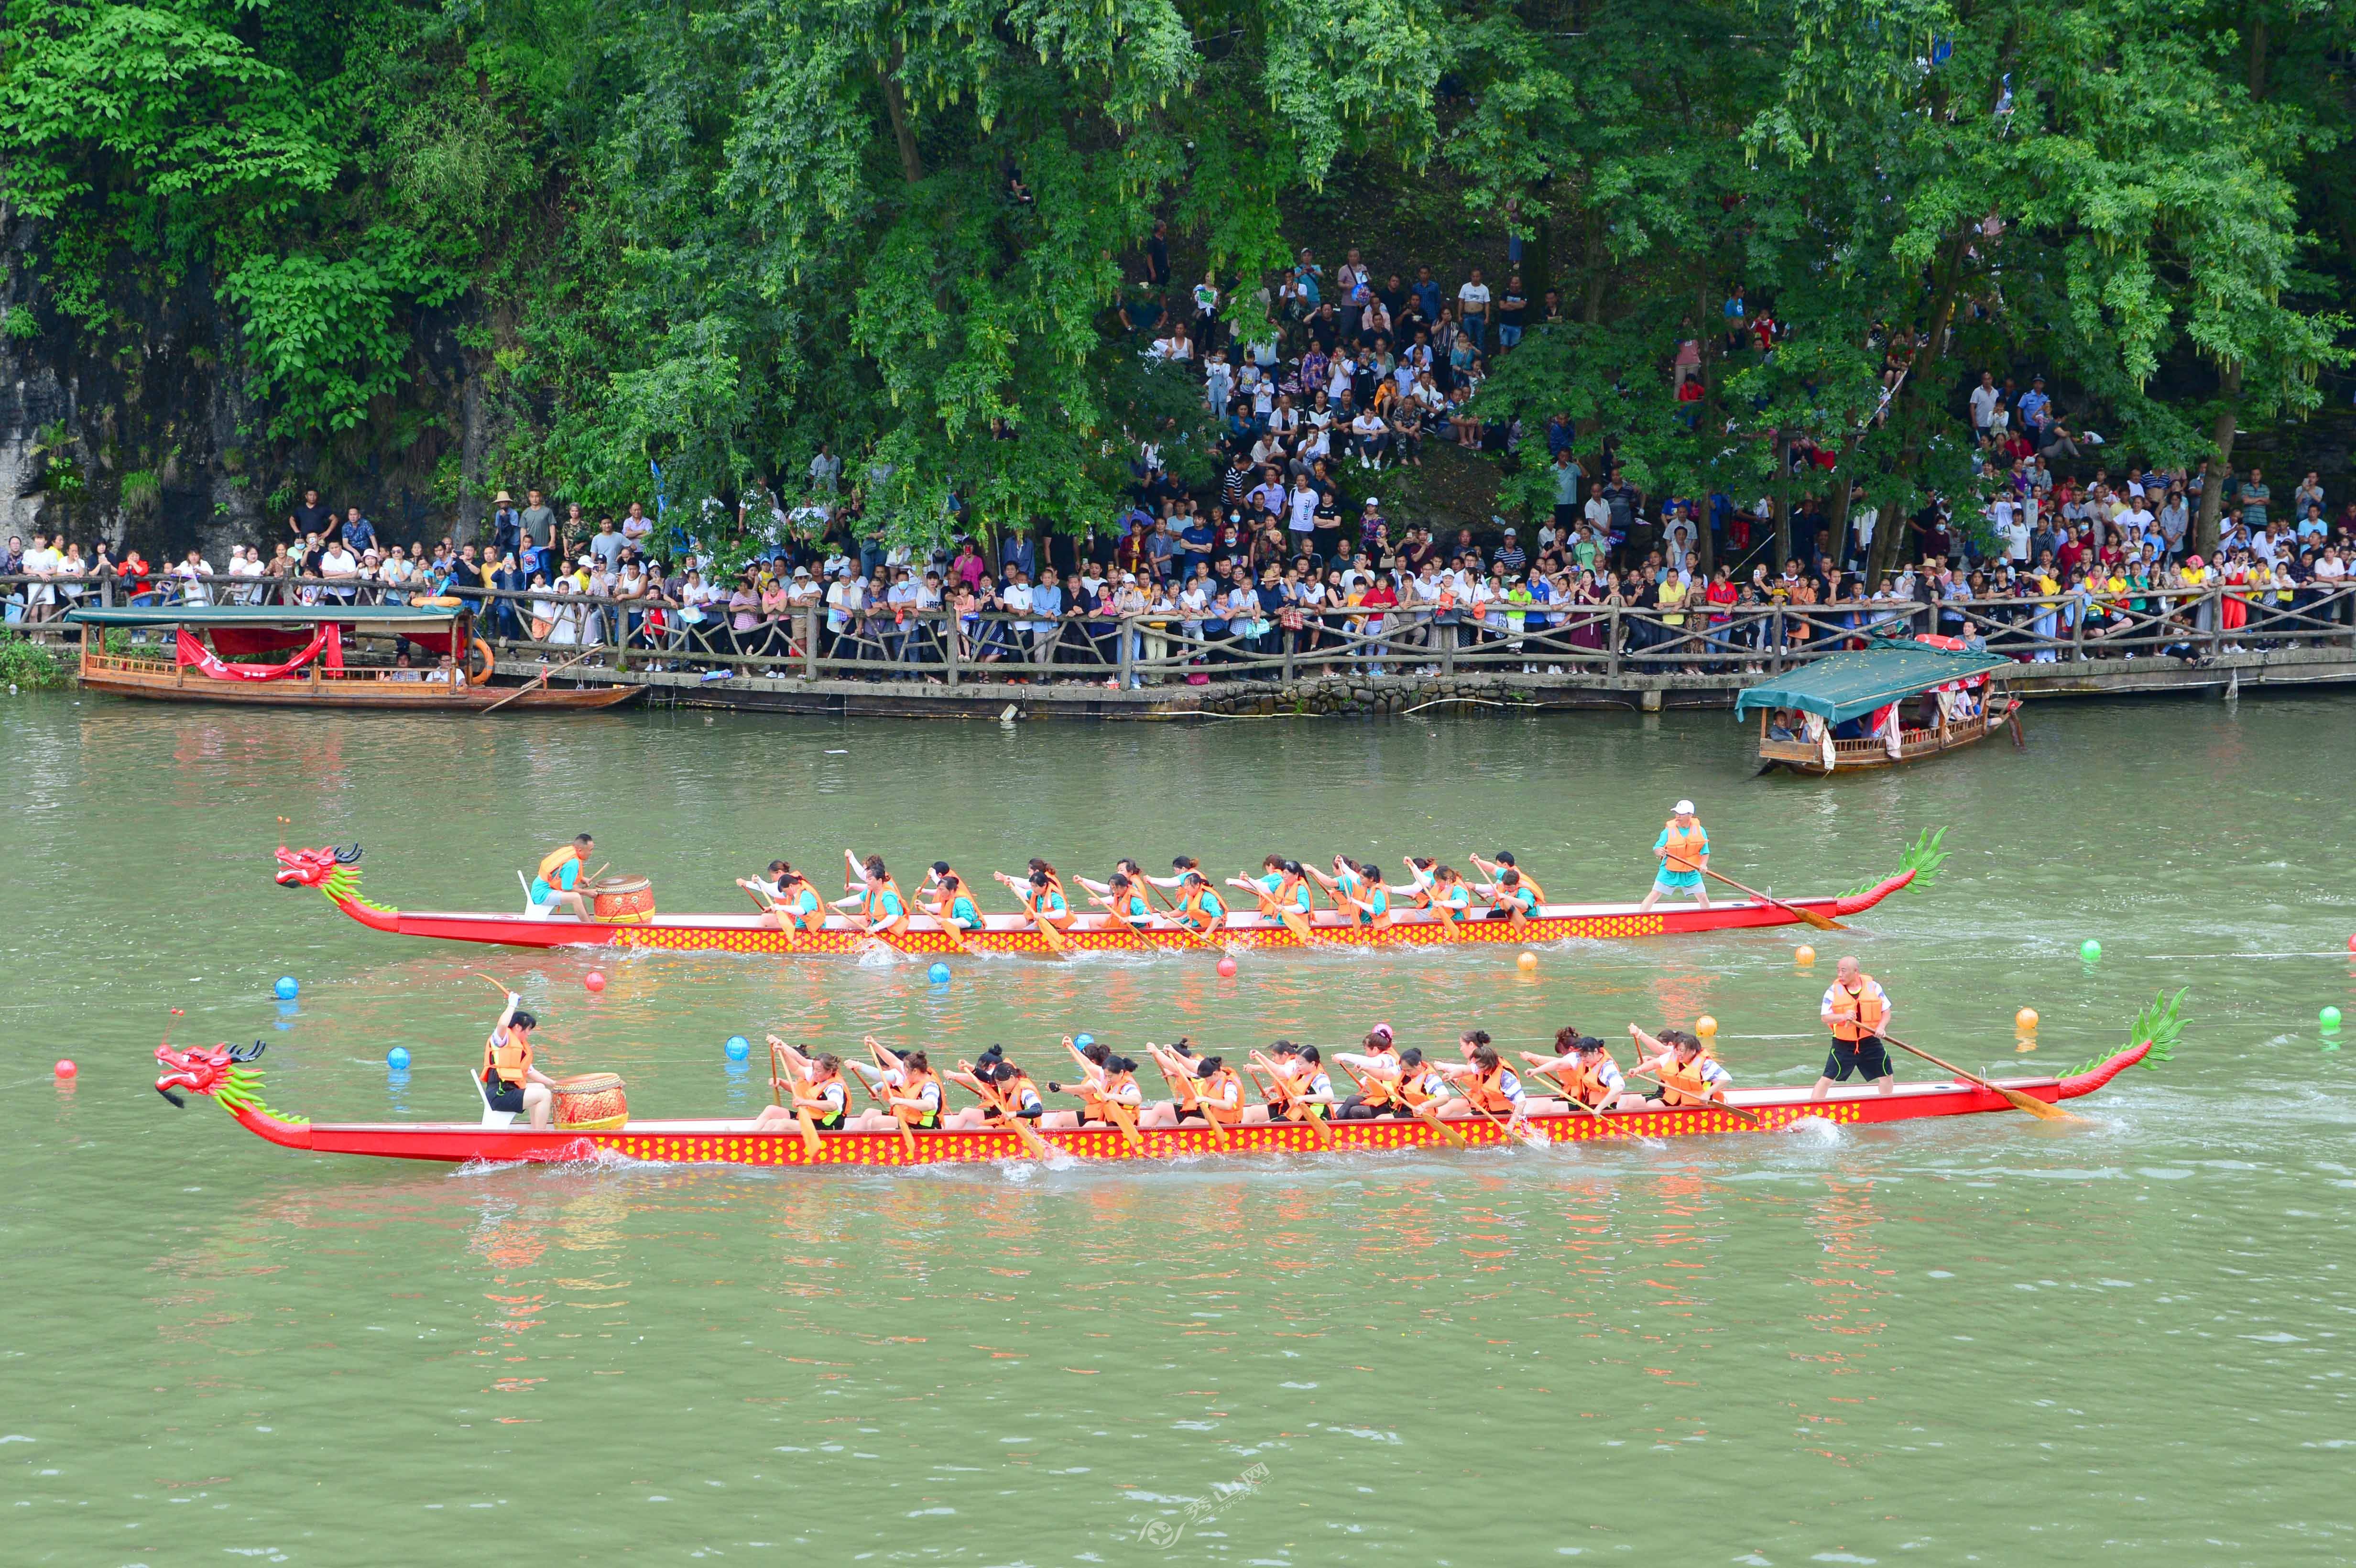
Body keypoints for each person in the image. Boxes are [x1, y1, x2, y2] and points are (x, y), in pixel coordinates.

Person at [1814, 956, 1897, 1098]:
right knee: (1828, 1079)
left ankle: (1886, 1102)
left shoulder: (1874, 987)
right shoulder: (1832, 991)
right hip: (1844, 1044)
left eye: (1844, 971)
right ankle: (1815, 1106)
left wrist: (1881, 1027)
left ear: (1856, 971)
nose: (1840, 975)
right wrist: (1843, 1016)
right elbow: (1825, 1017)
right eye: (1838, 971)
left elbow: (1886, 1011)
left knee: (1887, 1075)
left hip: (1870, 1041)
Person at [480, 991, 556, 1129]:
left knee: (541, 1087)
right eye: (528, 1030)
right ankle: (540, 1134)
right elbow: (502, 1024)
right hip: (500, 1094)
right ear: (517, 1027)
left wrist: (554, 1084)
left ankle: (536, 1129)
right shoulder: (502, 1039)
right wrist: (512, 1004)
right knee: (545, 1095)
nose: (529, 1034)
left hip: (509, 1091)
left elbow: (531, 1072)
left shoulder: (520, 1047)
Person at [1618, 1024, 1733, 1109]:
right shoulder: (1674, 1056)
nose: (1678, 1054)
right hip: (1674, 1098)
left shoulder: (1705, 1064)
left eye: (1682, 1051)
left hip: (1696, 1103)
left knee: (1653, 1105)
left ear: (1693, 1051)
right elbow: (1654, 1064)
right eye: (1677, 1050)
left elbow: (1726, 1079)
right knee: (1632, 1101)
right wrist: (1638, 1070)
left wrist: (1707, 1094)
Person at [751, 1049, 850, 1132]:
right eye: (814, 1069)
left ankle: (768, 1146)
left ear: (830, 1071)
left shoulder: (835, 1087)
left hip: (825, 1126)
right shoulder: (817, 1076)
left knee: (784, 1124)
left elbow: (833, 1106)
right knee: (771, 1115)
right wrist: (783, 1052)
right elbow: (796, 1068)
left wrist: (804, 1102)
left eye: (818, 1071)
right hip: (809, 1118)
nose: (814, 1073)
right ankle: (750, 1139)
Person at [1637, 799, 1710, 912]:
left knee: (1703, 897)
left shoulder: (1700, 830)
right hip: (1669, 870)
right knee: (1655, 894)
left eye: (1682, 814)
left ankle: (1707, 917)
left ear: (1690, 815)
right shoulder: (1668, 831)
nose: (1678, 816)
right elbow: (1657, 847)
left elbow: (1705, 852)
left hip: (1691, 871)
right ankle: (1640, 917)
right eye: (1677, 813)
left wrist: (1703, 865)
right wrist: (1659, 851)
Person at [531, 834, 595, 918]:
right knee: (576, 897)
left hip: (538, 888)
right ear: (580, 850)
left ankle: (587, 918)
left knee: (576, 888)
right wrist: (587, 892)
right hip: (541, 894)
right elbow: (566, 889)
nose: (591, 853)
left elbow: (560, 872)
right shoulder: (573, 863)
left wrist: (582, 879)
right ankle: (587, 924)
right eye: (590, 850)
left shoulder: (570, 852)